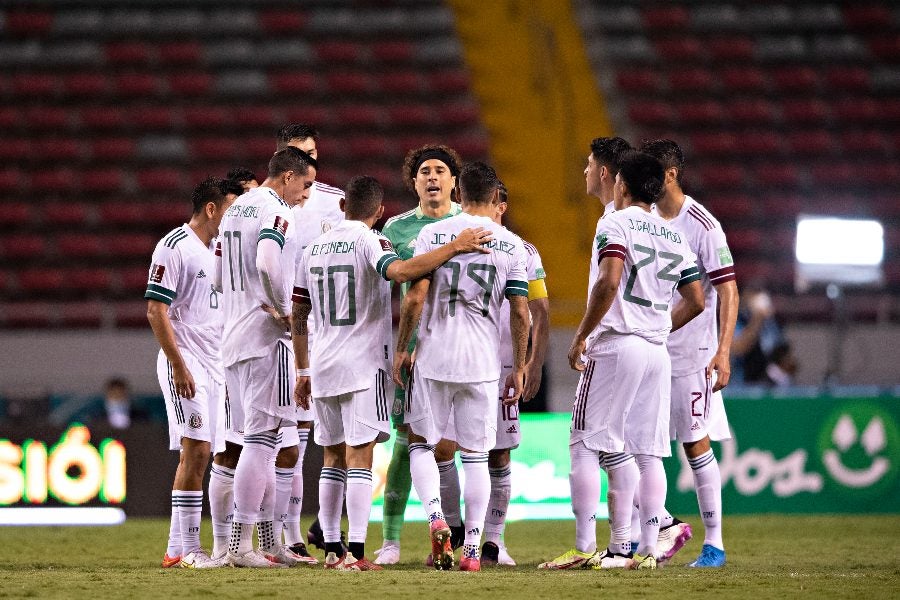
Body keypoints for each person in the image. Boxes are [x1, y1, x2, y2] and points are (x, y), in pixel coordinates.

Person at [291, 175, 491, 570]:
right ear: (380, 213)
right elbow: (400, 274)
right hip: (363, 364)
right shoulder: (373, 240)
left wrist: (302, 368)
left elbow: (298, 312)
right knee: (360, 455)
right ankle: (359, 553)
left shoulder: (311, 248)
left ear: (343, 206)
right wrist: (454, 246)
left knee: (331, 455)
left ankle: (333, 548)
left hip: (323, 362)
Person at [540, 151, 704, 571]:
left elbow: (610, 280)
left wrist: (580, 336)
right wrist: (660, 327)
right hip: (656, 350)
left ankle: (593, 548)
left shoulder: (615, 222)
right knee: (648, 452)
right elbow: (697, 300)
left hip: (617, 344)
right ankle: (647, 549)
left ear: (622, 185)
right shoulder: (673, 234)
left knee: (584, 441)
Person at [393, 161, 531, 572]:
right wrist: (519, 365)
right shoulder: (513, 245)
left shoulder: (432, 234)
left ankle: (436, 515)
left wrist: (403, 348)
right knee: (476, 455)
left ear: (460, 193)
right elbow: (521, 312)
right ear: (495, 198)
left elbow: (415, 297)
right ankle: (472, 547)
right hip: (483, 364)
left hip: (435, 356)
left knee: (420, 442)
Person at [434, 182, 551, 567]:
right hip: (466, 360)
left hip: (502, 364)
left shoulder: (523, 249)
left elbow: (540, 310)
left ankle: (493, 542)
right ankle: (453, 531)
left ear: (503, 205)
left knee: (498, 454)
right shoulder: (454, 237)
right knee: (445, 448)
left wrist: (532, 362)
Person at [216, 147, 316, 568]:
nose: (304, 195)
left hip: (234, 336)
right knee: (262, 440)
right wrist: (282, 308)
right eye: (305, 184)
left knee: (266, 441)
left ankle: (271, 543)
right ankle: (240, 544)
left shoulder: (234, 211)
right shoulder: (277, 211)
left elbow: (219, 274)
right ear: (288, 176)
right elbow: (266, 260)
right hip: (264, 339)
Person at [644, 138, 738, 568]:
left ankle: (714, 543)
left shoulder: (702, 224)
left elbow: (727, 288)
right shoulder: (641, 217)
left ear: (670, 174)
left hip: (691, 351)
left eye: (652, 172)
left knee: (694, 444)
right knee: (638, 443)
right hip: (649, 345)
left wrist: (722, 350)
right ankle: (655, 532)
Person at [373, 144, 466, 565]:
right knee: (406, 443)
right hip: (413, 351)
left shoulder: (472, 223)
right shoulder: (395, 230)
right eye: (424, 171)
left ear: (453, 180)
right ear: (413, 182)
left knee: (453, 447)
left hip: (466, 348)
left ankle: (460, 535)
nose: (432, 177)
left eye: (439, 170)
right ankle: (391, 541)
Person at [145, 176, 235, 568]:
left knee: (204, 453)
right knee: (195, 450)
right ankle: (188, 549)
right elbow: (155, 310)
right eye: (229, 211)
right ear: (211, 208)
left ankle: (175, 547)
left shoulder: (220, 248)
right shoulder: (173, 247)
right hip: (187, 364)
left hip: (216, 366)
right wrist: (179, 366)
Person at [266, 123, 344, 561]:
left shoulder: (334, 203)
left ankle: (296, 532)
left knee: (309, 436)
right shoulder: (260, 203)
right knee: (278, 438)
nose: (309, 161)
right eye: (300, 154)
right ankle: (279, 533)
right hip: (271, 331)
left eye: (313, 152)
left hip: (321, 334)